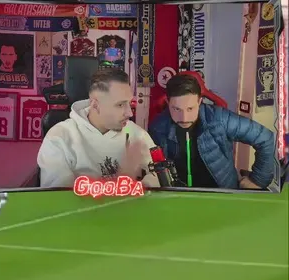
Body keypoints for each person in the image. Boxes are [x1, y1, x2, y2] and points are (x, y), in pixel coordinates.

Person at [37, 66, 161, 189]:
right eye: (120, 105)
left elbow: (161, 175)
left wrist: (144, 184)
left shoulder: (134, 133)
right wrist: (126, 177)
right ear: (95, 105)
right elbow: (59, 198)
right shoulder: (60, 137)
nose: (130, 113)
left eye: (129, 103)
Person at [148, 74, 277, 190]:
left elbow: (266, 138)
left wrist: (258, 180)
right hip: (178, 196)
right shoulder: (157, 127)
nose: (184, 118)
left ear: (199, 102)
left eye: (190, 108)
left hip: (221, 195)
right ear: (167, 102)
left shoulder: (219, 119)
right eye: (176, 109)